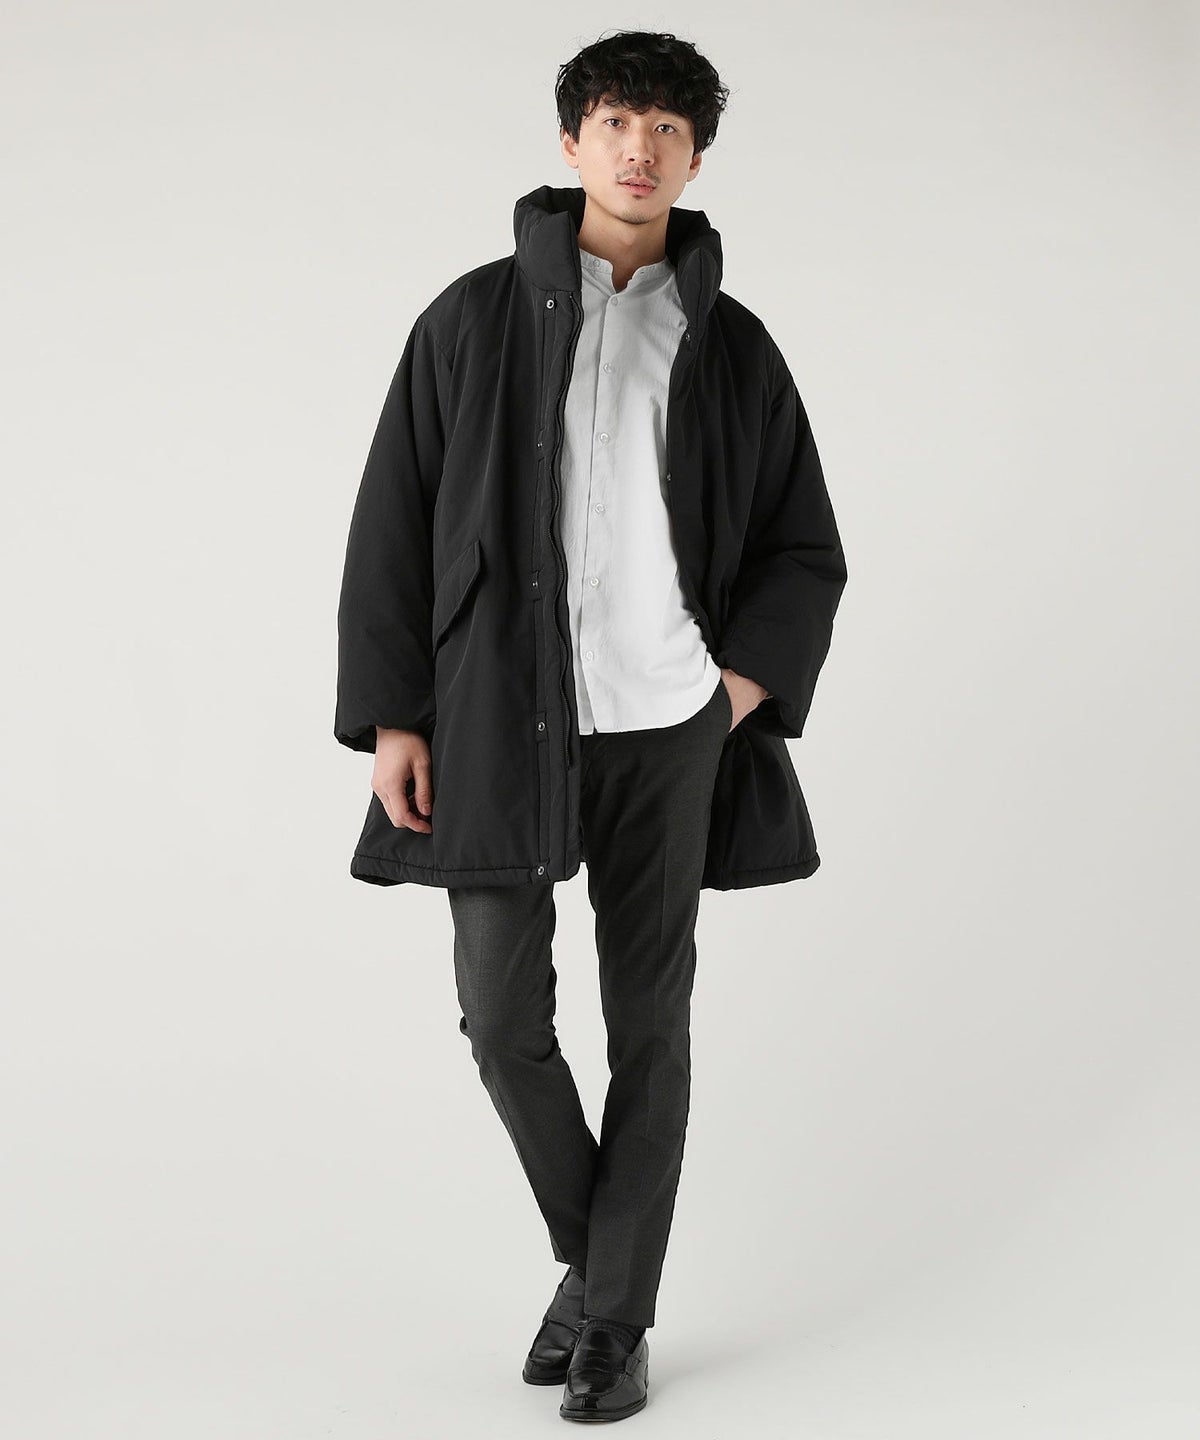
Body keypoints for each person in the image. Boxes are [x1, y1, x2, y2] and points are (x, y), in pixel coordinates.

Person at [334, 29, 848, 1423]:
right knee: (501, 1018)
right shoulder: (470, 321)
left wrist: (736, 691)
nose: (641, 148)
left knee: (650, 1027)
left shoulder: (732, 348)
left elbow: (804, 545)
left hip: (669, 723)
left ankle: (612, 1325)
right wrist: (393, 717)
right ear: (572, 143)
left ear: (697, 159)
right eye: (618, 121)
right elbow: (392, 522)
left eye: (669, 129)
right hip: (501, 718)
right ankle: (600, 1266)